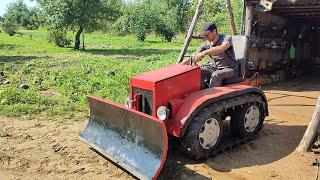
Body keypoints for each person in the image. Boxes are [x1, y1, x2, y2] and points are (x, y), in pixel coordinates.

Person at [181, 22, 239, 88]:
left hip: (231, 69)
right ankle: (199, 93)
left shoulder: (226, 38)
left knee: (216, 75)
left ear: (214, 31)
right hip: (216, 68)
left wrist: (204, 52)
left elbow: (221, 48)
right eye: (204, 35)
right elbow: (193, 56)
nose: (205, 37)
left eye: (207, 35)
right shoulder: (207, 44)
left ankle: (211, 96)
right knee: (199, 72)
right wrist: (179, 66)